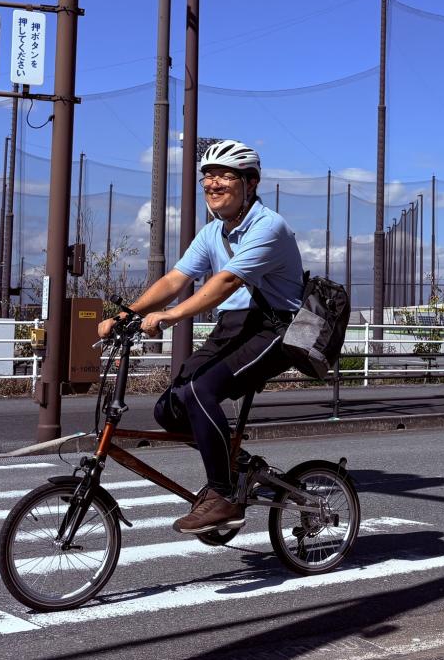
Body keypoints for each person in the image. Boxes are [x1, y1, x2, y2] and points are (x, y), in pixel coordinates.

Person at [99, 139, 303, 534]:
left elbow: (226, 282)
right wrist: (127, 313)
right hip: (234, 327)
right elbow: (177, 278)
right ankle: (239, 466)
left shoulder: (269, 227)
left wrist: (172, 316)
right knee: (169, 408)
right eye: (207, 176)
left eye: (224, 175)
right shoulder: (213, 233)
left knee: (198, 391)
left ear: (251, 183)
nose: (213, 184)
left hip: (274, 327)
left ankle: (223, 496)